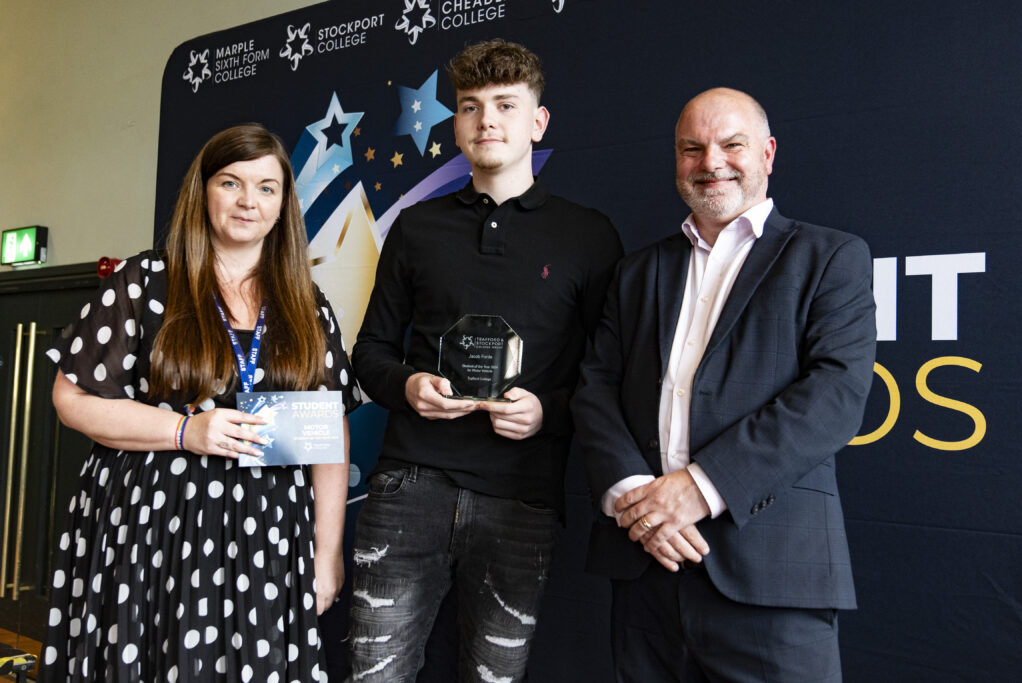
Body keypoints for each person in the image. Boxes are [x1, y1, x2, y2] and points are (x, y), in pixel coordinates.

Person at [571, 88, 877, 681]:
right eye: (692, 148)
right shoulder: (636, 272)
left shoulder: (829, 256)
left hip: (771, 577)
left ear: (767, 153)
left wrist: (698, 488)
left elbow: (834, 396)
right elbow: (595, 389)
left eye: (731, 144)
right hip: (645, 571)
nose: (711, 162)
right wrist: (640, 503)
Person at [41, 123, 361, 682]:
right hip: (151, 524)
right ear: (203, 190)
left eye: (266, 188)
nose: (248, 201)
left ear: (283, 205)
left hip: (268, 534)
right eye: (231, 183)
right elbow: (71, 399)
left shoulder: (306, 303)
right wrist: (186, 432)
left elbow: (327, 433)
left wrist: (327, 552)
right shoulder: (145, 280)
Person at [348, 39, 623, 682]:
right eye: (470, 107)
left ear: (538, 122)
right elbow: (370, 352)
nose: (486, 121)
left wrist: (548, 412)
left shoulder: (589, 236)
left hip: (523, 497)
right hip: (409, 485)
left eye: (505, 104)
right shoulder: (415, 227)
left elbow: (608, 375)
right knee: (372, 673)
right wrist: (408, 386)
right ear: (455, 126)